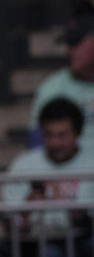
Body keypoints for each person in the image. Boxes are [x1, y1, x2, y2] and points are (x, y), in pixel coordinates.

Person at [1, 97, 94, 257]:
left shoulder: (91, 159)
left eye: (62, 135)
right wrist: (26, 210)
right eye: (49, 135)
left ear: (77, 134)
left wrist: (72, 209)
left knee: (54, 255)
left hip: (83, 242)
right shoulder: (24, 165)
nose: (55, 142)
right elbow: (9, 220)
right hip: (32, 243)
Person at [28, 8, 94, 152]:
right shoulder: (51, 88)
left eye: (75, 42)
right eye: (68, 43)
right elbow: (36, 148)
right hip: (67, 172)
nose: (69, 50)